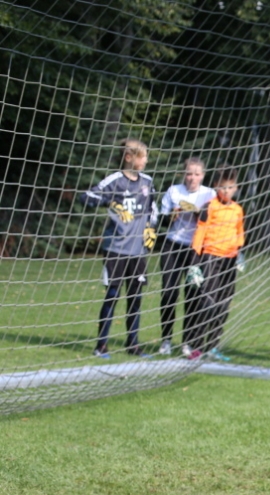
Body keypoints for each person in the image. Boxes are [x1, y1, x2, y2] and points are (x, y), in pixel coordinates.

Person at [80, 137, 158, 359]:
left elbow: (153, 208)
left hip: (138, 251)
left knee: (136, 297)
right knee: (112, 295)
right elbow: (86, 197)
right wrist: (112, 203)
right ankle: (101, 345)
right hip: (116, 249)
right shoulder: (114, 181)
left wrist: (151, 228)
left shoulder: (147, 182)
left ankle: (133, 344)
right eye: (142, 156)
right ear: (129, 157)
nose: (145, 160)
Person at [183, 167, 245, 361]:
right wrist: (195, 261)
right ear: (217, 187)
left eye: (230, 187)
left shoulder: (237, 209)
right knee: (206, 302)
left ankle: (213, 346)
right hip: (210, 257)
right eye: (223, 187)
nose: (226, 191)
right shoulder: (210, 206)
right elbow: (200, 231)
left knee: (222, 305)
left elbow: (239, 234)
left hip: (230, 260)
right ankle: (195, 346)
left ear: (236, 188)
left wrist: (240, 254)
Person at [157, 156, 215, 356]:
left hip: (195, 250)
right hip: (172, 246)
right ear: (184, 174)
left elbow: (213, 221)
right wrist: (171, 216)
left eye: (196, 174)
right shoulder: (174, 191)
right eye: (189, 173)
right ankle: (166, 340)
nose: (192, 178)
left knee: (193, 295)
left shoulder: (209, 194)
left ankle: (187, 342)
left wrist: (200, 214)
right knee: (169, 293)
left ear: (203, 176)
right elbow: (160, 221)